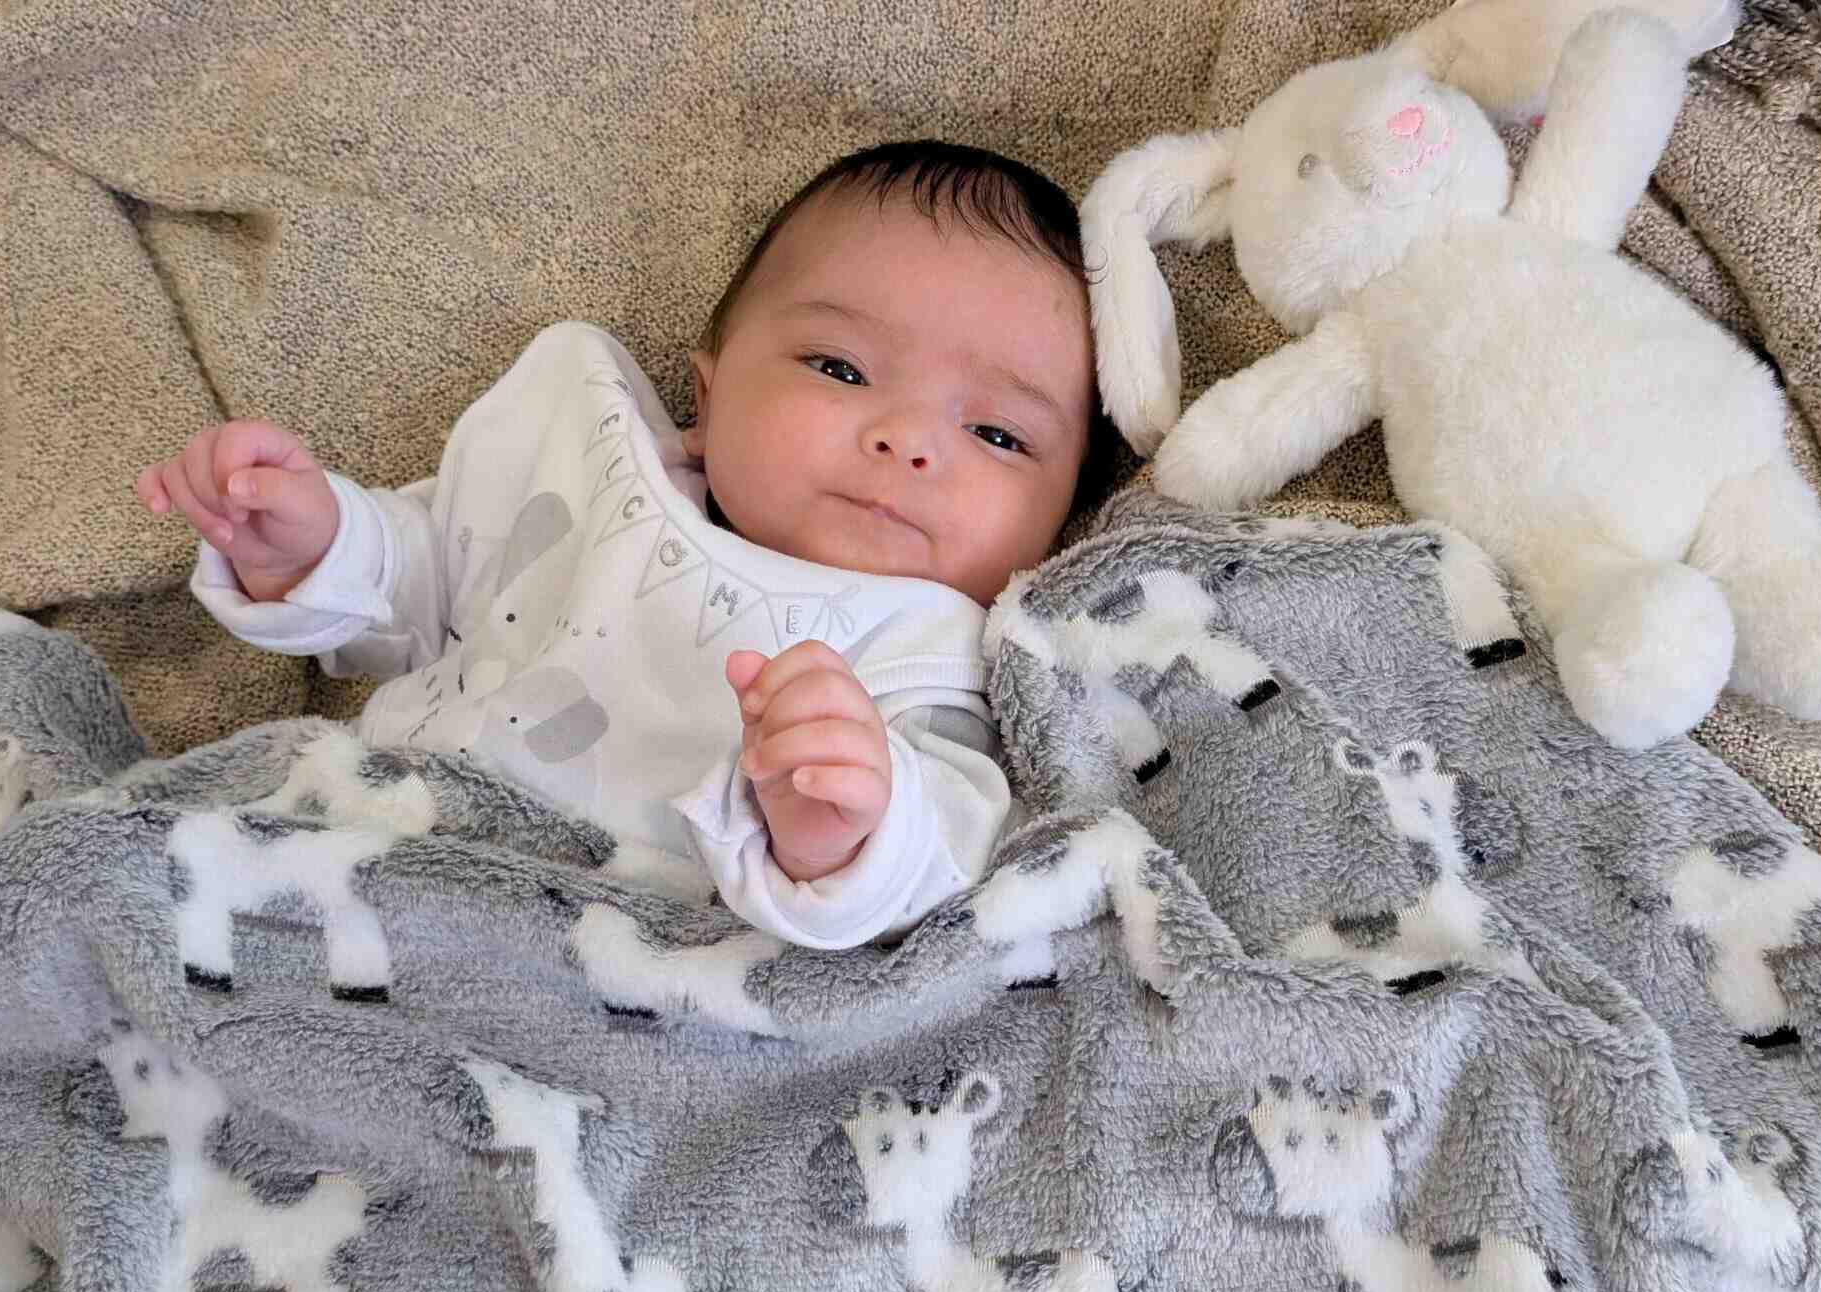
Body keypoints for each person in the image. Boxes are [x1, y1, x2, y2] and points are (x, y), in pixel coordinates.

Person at [137, 142, 1115, 947]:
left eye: (996, 434)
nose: (906, 440)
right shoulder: (596, 474)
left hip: (616, 966)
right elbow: (420, 584)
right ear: (706, 398)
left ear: (1061, 518)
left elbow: (945, 859)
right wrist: (308, 538)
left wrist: (838, 823)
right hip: (369, 858)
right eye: (839, 367)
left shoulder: (929, 648)